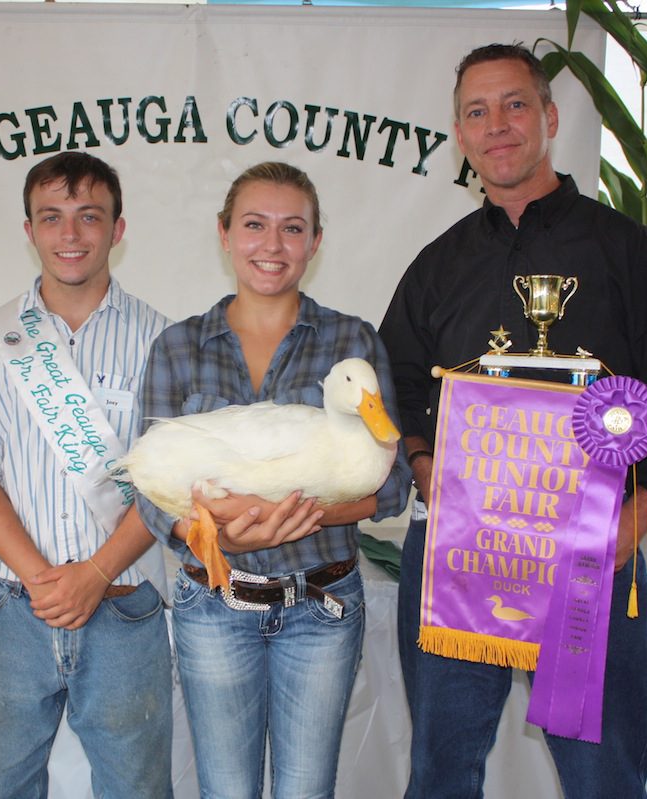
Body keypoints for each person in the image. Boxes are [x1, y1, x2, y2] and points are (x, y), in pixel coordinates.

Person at [379, 44, 647, 799]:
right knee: (440, 775)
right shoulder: (438, 264)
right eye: (477, 112)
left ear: (550, 117)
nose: (497, 125)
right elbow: (391, 381)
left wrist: (634, 521)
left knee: (603, 779)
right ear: (461, 135)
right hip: (460, 553)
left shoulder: (625, 251)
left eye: (514, 104)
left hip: (588, 557)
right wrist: (426, 467)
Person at [136, 161, 411, 799]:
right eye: (255, 225)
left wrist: (298, 514)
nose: (273, 244)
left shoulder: (352, 342)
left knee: (305, 792)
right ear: (225, 234)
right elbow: (148, 488)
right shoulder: (178, 347)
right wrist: (215, 536)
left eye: (292, 228)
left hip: (321, 605)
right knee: (226, 792)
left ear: (315, 242)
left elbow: (393, 483)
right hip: (214, 605)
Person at [0, 152, 173, 799]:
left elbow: (166, 484)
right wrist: (40, 578)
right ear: (29, 230)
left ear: (118, 228)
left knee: (137, 791)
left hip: (123, 600)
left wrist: (96, 572)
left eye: (89, 216)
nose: (70, 234)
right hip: (11, 606)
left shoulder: (162, 339)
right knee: (0, 789)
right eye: (51, 217)